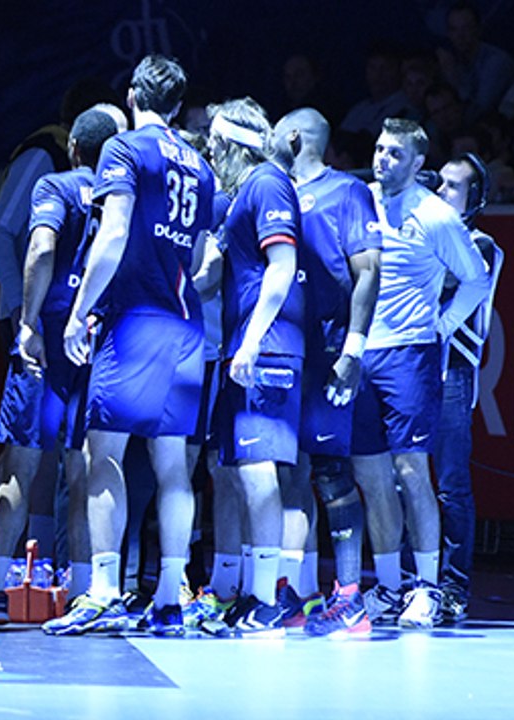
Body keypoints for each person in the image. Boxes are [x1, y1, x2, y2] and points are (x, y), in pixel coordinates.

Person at [44, 54, 215, 638]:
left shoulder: (124, 147)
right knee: (174, 467)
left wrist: (80, 309)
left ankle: (103, 591)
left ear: (135, 95)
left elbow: (113, 231)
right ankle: (171, 595)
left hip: (136, 317)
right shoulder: (201, 164)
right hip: (187, 325)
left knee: (104, 456)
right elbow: (203, 258)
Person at [0, 84, 124, 596]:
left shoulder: (66, 187)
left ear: (74, 145)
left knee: (30, 465)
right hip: (84, 336)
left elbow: (41, 249)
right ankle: (68, 588)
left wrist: (28, 320)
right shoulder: (111, 193)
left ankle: (2, 586)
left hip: (53, 335)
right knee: (78, 470)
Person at [352, 118, 488, 629]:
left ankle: (426, 588)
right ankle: (388, 587)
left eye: (394, 154)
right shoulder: (359, 199)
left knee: (413, 473)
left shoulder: (434, 215)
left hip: (410, 355)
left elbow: (474, 279)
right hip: (361, 353)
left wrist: (443, 324)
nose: (383, 159)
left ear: (416, 165)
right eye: (379, 149)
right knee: (372, 476)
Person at [270, 108, 383, 637]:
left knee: (332, 475)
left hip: (331, 351)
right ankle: (297, 591)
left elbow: (368, 271)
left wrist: (353, 351)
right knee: (288, 471)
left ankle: (351, 598)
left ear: (294, 136)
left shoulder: (347, 193)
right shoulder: (277, 191)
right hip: (287, 351)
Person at [206, 97, 306, 638]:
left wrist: (251, 341)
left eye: (215, 145)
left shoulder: (267, 183)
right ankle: (253, 593)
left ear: (232, 145)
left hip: (263, 349)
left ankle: (266, 599)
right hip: (247, 347)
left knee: (259, 469)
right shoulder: (244, 193)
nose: (211, 153)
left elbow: (283, 265)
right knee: (240, 472)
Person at [434, 152, 503, 622]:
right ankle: (407, 582)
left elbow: (446, 286)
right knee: (402, 480)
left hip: (452, 373)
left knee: (452, 485)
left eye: (452, 187)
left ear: (474, 199)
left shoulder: (480, 244)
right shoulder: (426, 233)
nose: (440, 192)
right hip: (411, 370)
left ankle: (453, 586)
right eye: (438, 183)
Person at [436, 2, 514, 125]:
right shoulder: (452, 59)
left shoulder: (497, 62)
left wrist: (452, 76)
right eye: (454, 29)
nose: (460, 36)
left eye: (466, 28)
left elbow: (479, 112)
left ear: (478, 29)